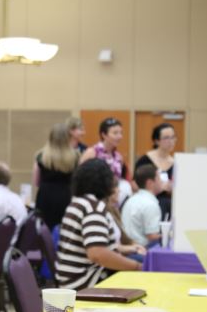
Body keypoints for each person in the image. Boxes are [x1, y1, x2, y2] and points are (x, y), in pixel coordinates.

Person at [56, 159, 141, 290]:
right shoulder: (93, 208)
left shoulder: (78, 202)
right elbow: (97, 253)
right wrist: (136, 267)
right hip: (85, 283)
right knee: (146, 271)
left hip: (72, 281)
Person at [33, 123, 79, 228]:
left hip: (45, 197)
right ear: (68, 137)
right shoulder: (76, 156)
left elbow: (36, 181)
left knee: (44, 231)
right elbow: (77, 181)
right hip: (66, 196)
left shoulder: (40, 156)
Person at [79, 117, 130, 202]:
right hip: (95, 199)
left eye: (121, 133)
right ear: (104, 135)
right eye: (115, 133)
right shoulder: (92, 152)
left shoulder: (118, 157)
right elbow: (80, 177)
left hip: (113, 201)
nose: (119, 136)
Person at [135, 123, 176, 218]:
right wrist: (159, 187)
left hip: (168, 204)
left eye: (173, 137)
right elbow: (135, 185)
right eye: (166, 138)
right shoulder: (145, 160)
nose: (171, 141)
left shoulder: (175, 162)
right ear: (157, 141)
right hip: (148, 203)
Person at [121, 164, 163, 248]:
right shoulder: (150, 204)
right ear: (150, 183)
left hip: (128, 246)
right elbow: (152, 236)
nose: (162, 181)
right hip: (142, 249)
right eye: (159, 178)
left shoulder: (131, 199)